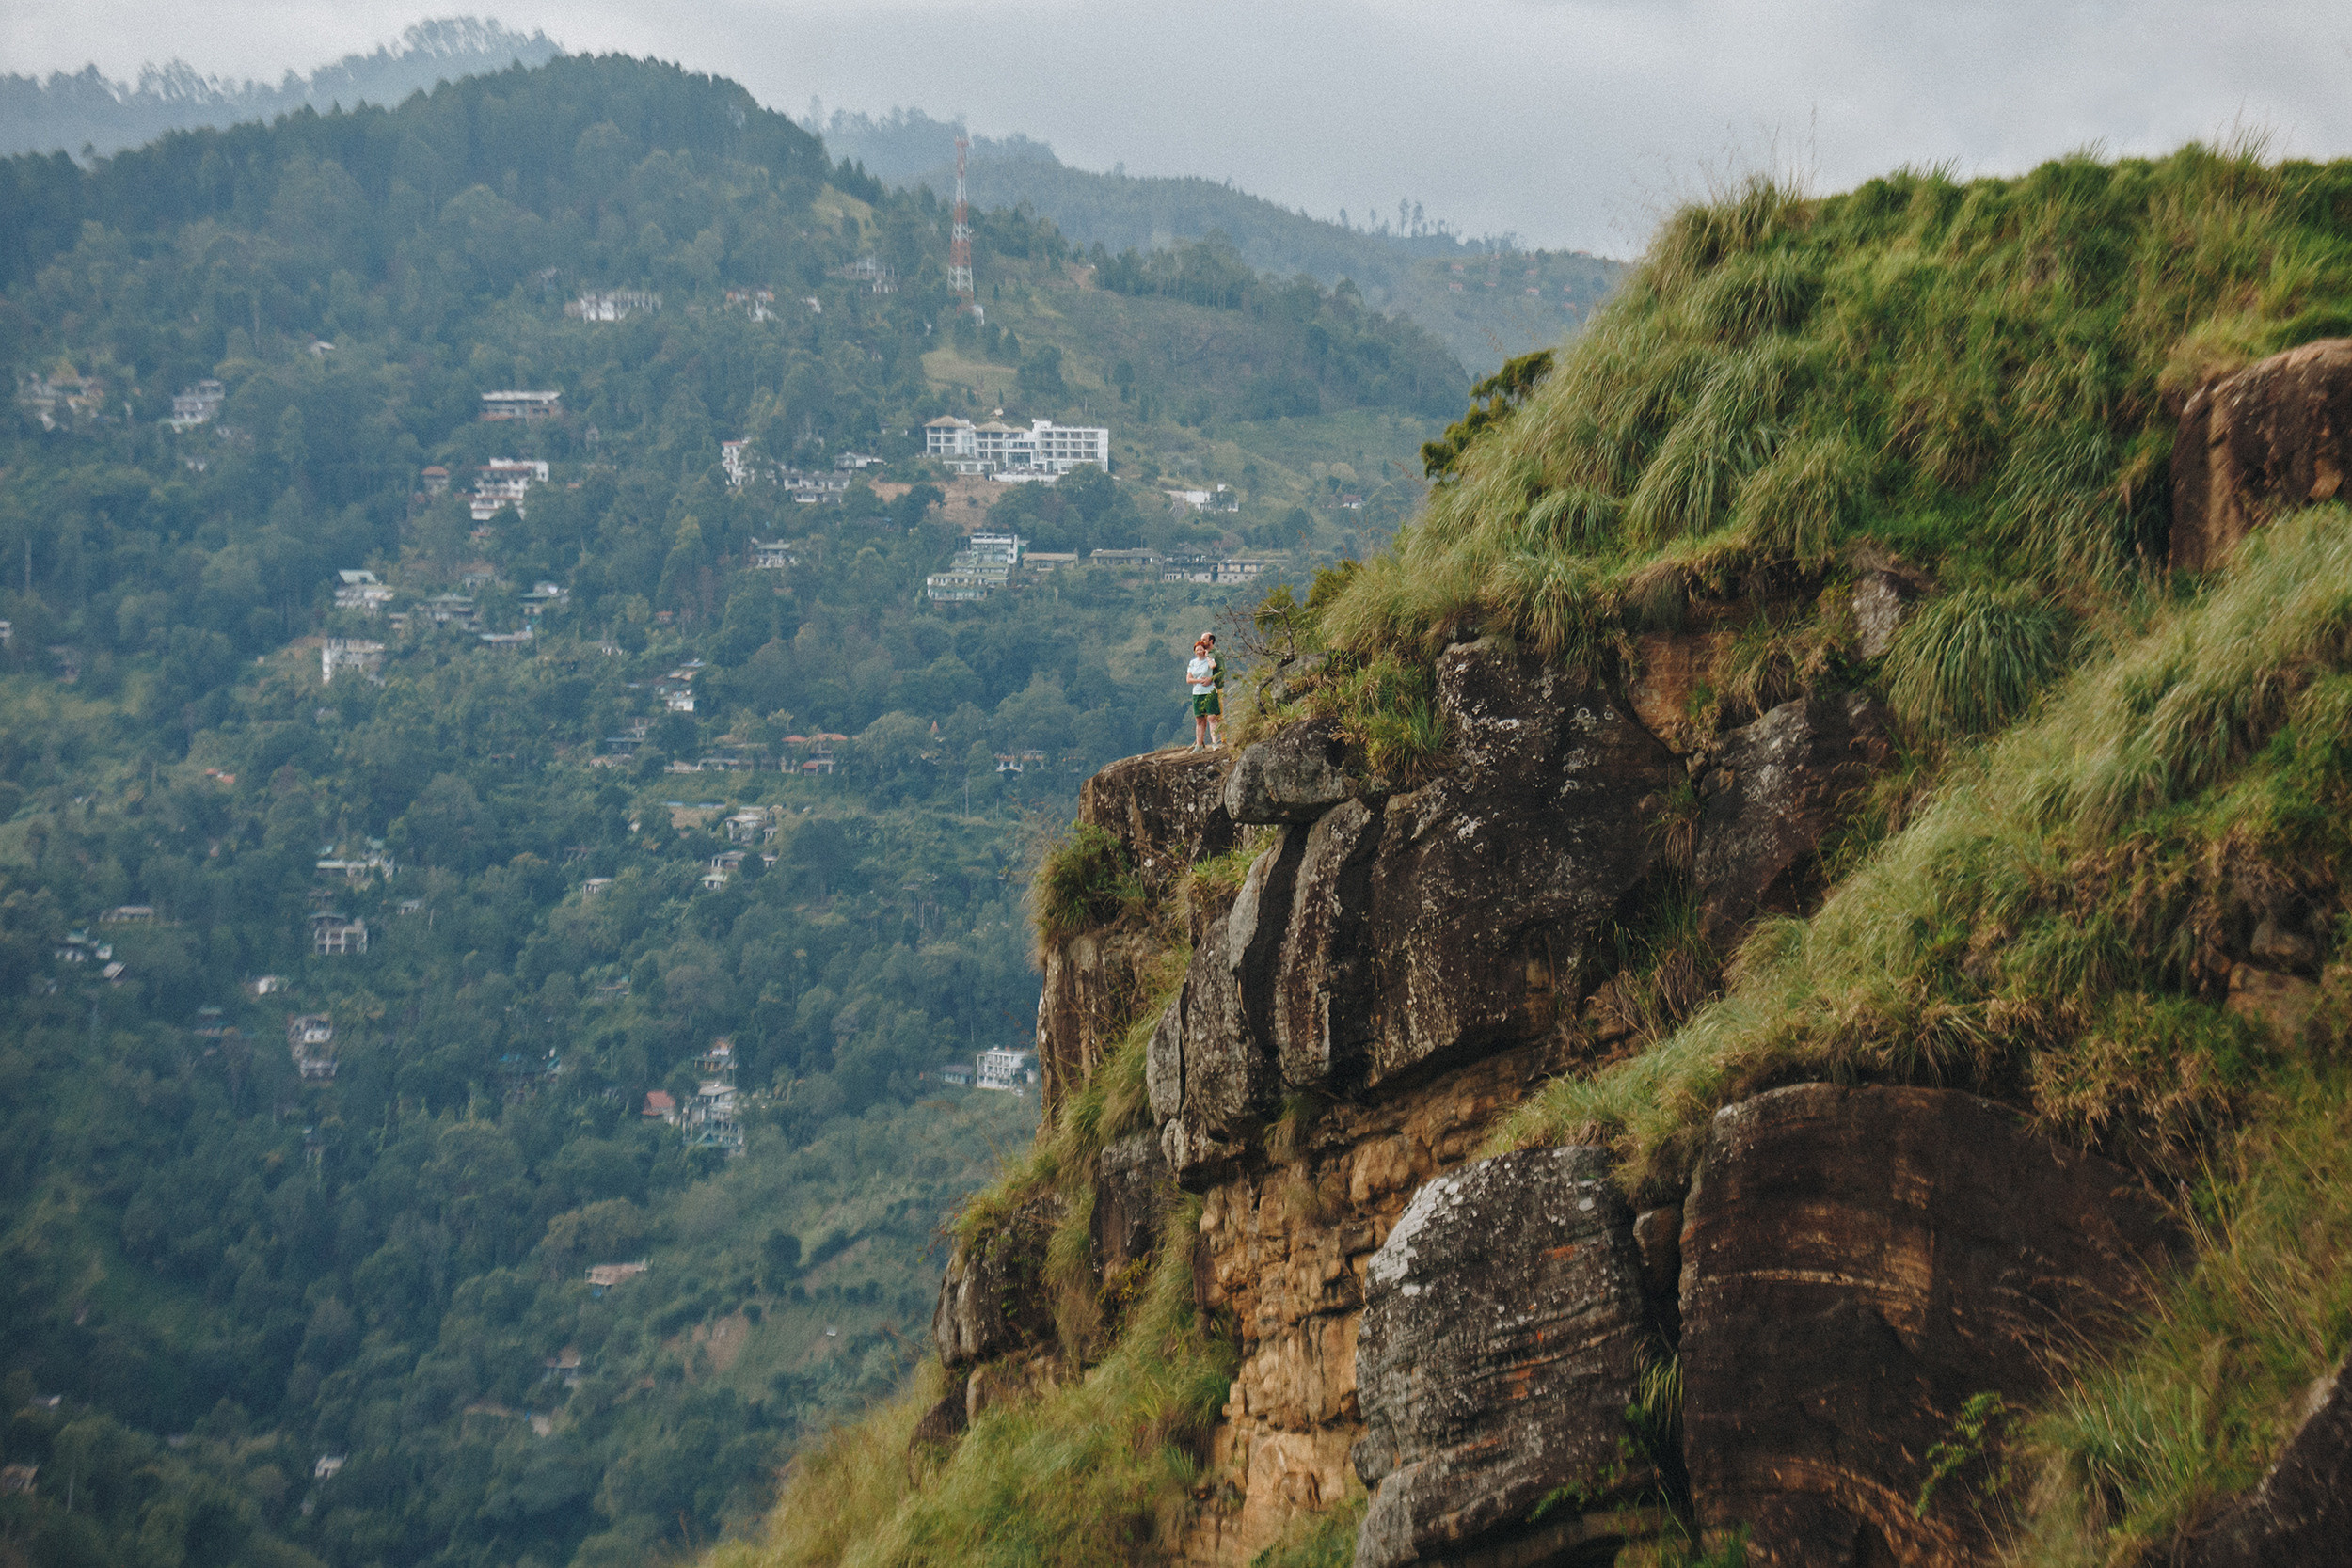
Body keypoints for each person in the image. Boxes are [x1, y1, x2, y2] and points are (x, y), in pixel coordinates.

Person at [1185, 632, 1225, 750]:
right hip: (1197, 692)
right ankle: (1199, 744)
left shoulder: (1214, 655)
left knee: (1213, 717)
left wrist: (1210, 679)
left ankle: (1218, 742)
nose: (1199, 651)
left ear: (1210, 641)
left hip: (1211, 690)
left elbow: (1216, 668)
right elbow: (1188, 679)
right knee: (1199, 719)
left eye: (1204, 640)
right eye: (1197, 649)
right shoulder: (1193, 662)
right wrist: (1199, 681)